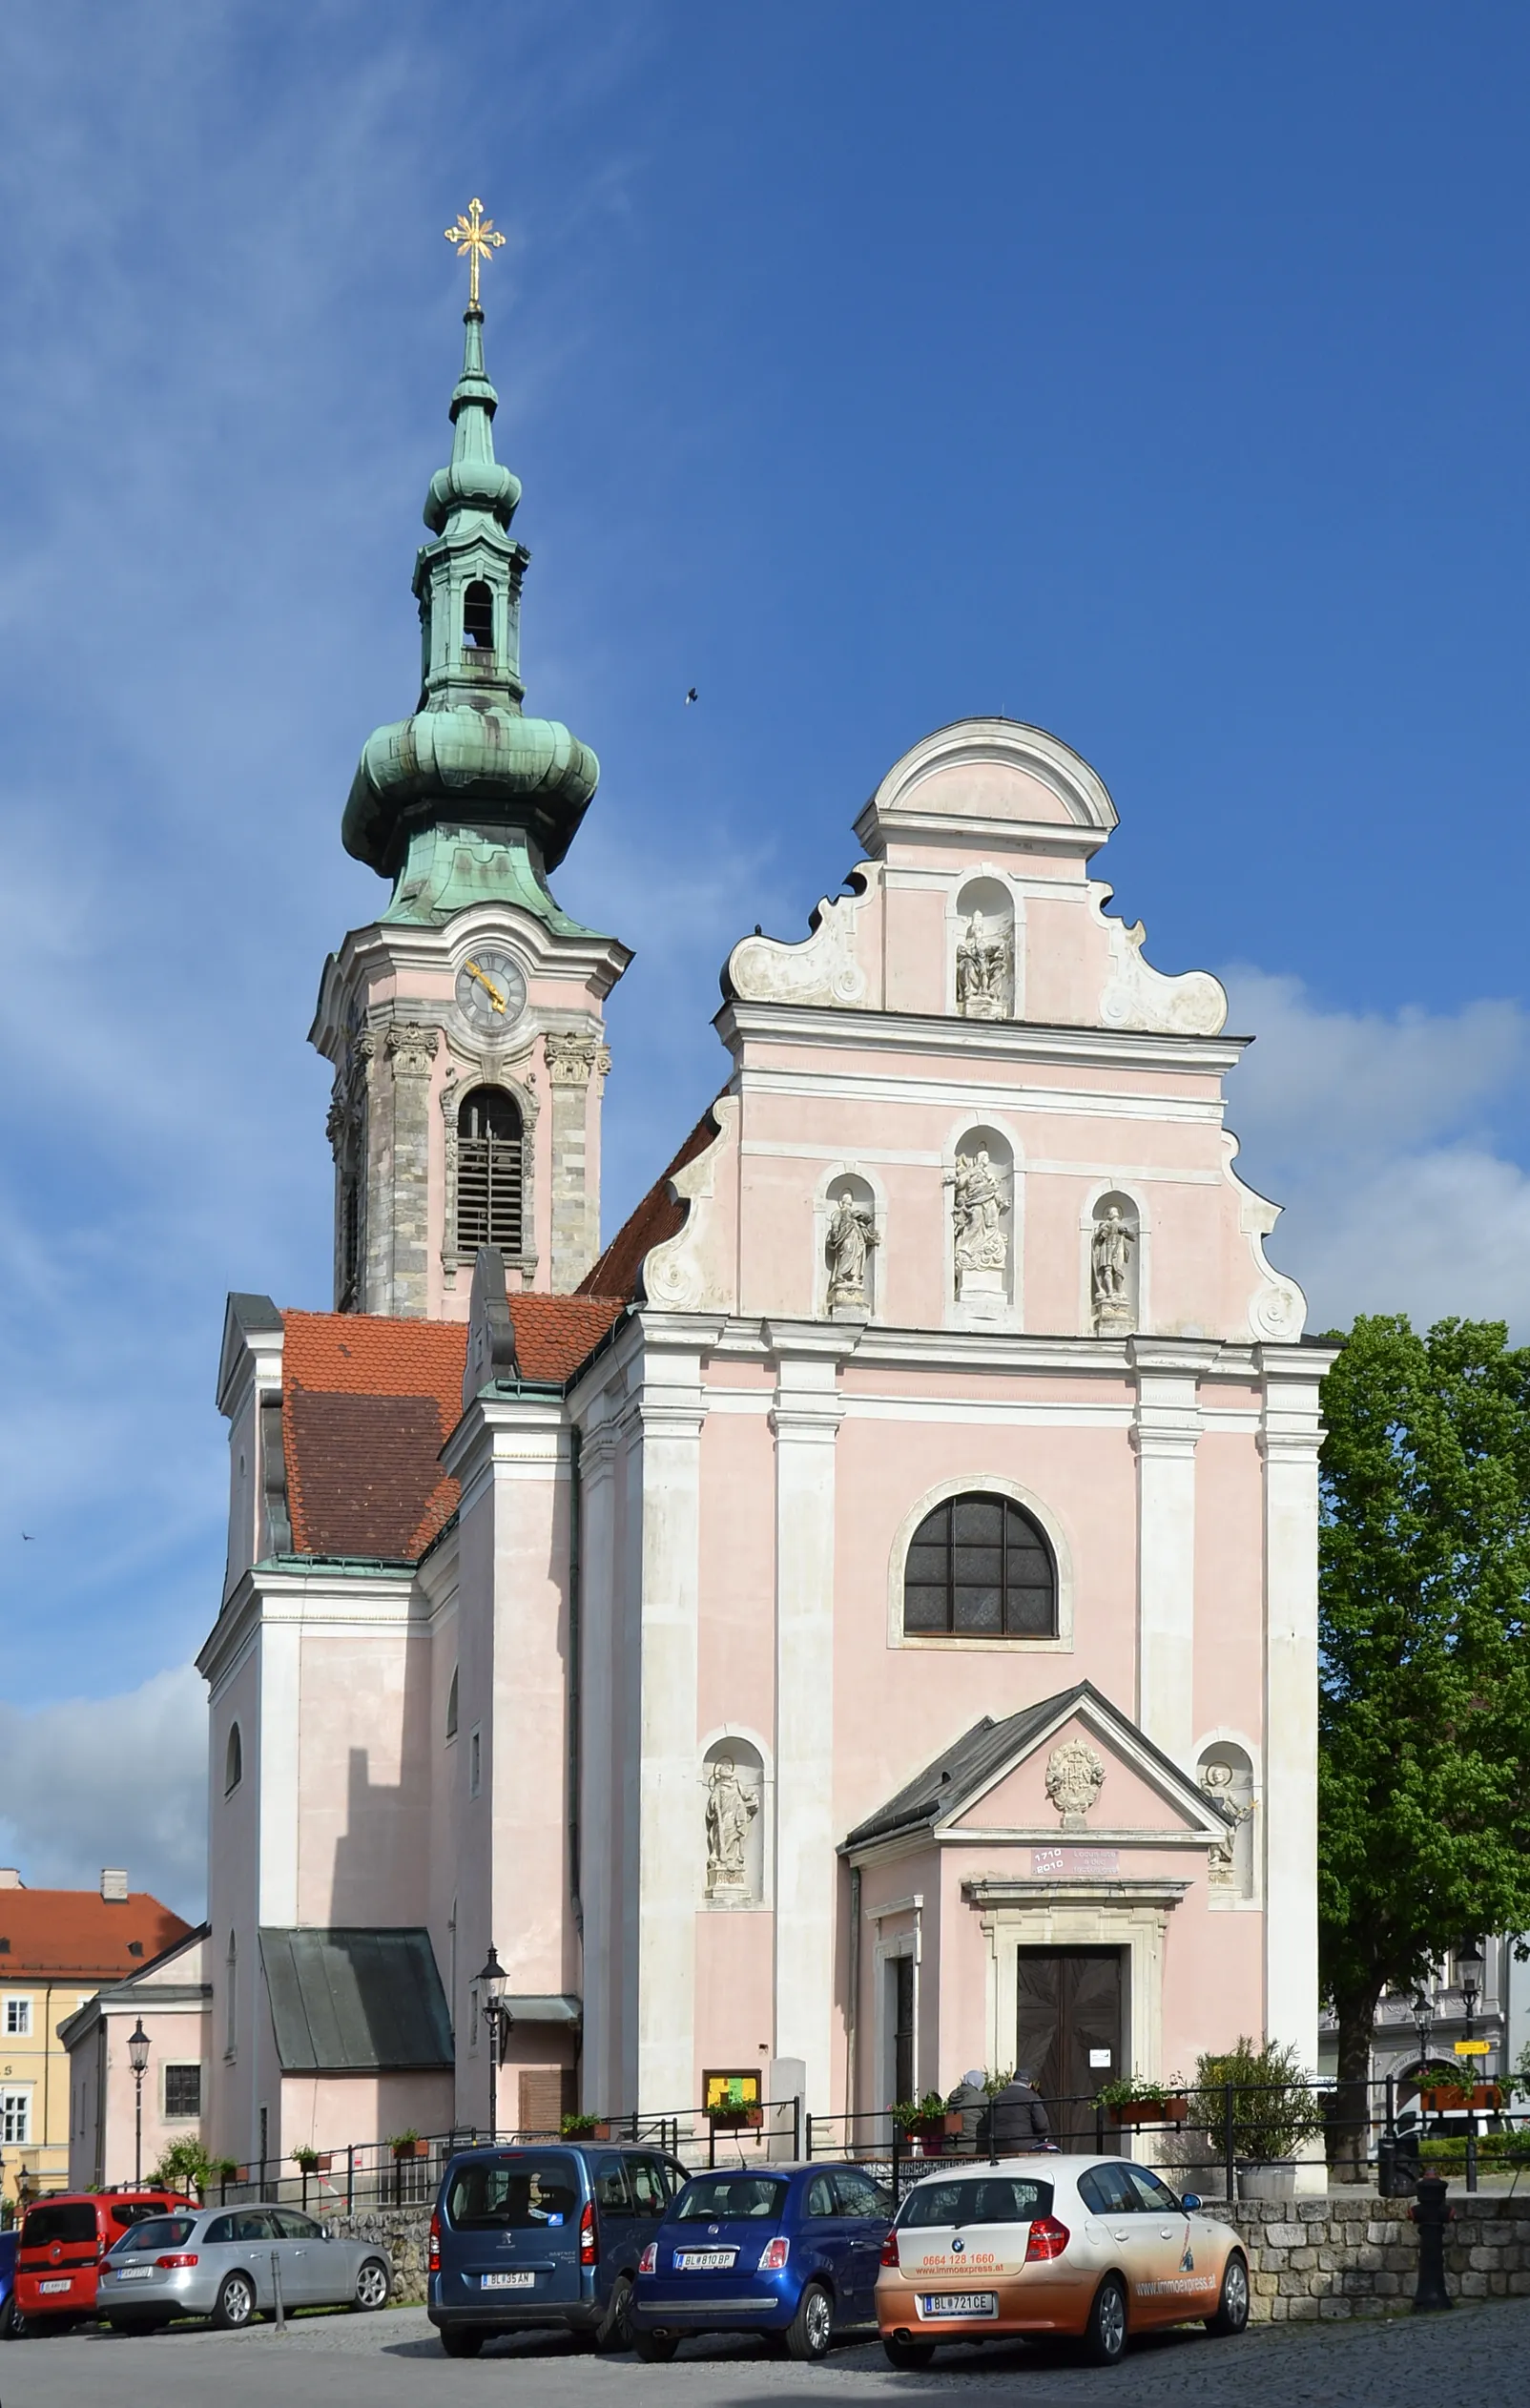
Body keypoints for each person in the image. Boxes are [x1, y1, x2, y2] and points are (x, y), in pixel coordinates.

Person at [983, 2067, 1051, 2154]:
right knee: (1053, 2150)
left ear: (1013, 2080)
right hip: (1023, 2145)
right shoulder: (1031, 2096)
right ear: (1030, 2084)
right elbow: (1042, 2124)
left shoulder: (997, 2097)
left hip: (997, 2145)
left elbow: (988, 2122)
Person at [945, 2068, 989, 2153]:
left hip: (949, 2148)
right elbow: (991, 2120)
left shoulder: (953, 2096)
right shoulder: (981, 2098)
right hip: (972, 2149)